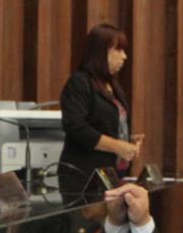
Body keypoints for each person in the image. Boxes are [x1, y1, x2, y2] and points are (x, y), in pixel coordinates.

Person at [57, 24, 141, 194]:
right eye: (118, 50)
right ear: (101, 51)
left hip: (111, 175)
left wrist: (126, 138)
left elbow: (104, 124)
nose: (124, 56)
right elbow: (76, 127)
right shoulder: (79, 83)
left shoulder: (112, 85)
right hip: (84, 177)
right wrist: (117, 146)